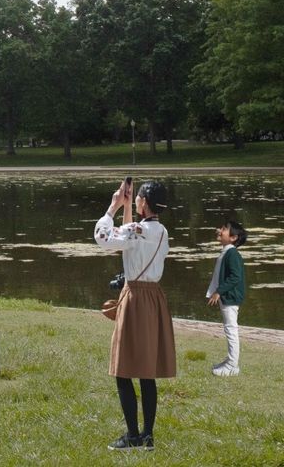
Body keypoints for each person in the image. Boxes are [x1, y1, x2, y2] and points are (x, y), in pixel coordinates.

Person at [95, 179, 176, 451]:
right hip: (154, 299)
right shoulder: (162, 231)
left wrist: (114, 206)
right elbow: (132, 240)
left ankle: (132, 436)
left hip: (135, 298)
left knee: (124, 369)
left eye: (138, 197)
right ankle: (148, 437)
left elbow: (103, 238)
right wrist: (129, 207)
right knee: (146, 371)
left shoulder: (135, 230)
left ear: (145, 202)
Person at [205, 219, 248, 376]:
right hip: (226, 296)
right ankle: (230, 361)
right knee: (229, 328)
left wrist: (219, 291)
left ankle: (232, 365)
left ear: (233, 237)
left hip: (230, 297)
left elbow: (235, 277)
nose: (219, 230)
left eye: (224, 229)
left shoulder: (232, 254)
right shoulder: (226, 251)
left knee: (231, 329)